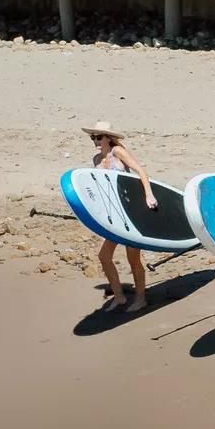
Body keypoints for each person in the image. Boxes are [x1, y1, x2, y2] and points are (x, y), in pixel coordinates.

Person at [84, 121, 154, 313]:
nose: (95, 140)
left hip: (131, 212)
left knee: (133, 259)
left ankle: (140, 298)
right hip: (113, 214)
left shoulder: (118, 153)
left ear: (108, 137)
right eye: (93, 137)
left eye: (98, 136)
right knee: (104, 256)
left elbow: (140, 171)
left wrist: (149, 195)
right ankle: (120, 297)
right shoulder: (96, 160)